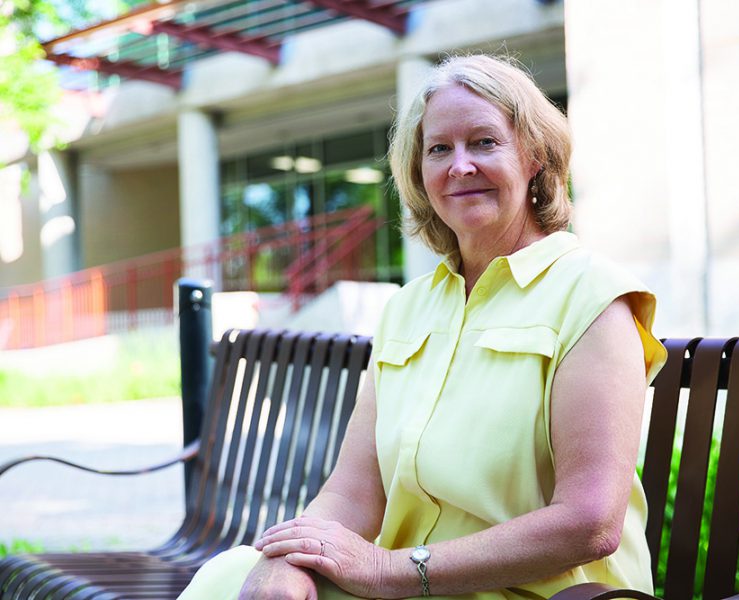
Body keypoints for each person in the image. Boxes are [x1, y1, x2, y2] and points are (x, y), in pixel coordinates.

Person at [178, 54, 667, 600]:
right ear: (420, 174)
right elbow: (354, 491)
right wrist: (287, 560)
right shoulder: (408, 309)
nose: (460, 166)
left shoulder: (592, 297)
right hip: (412, 588)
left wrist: (392, 570)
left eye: (484, 142)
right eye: (439, 149)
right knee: (232, 575)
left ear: (533, 157)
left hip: (536, 594)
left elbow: (589, 522)